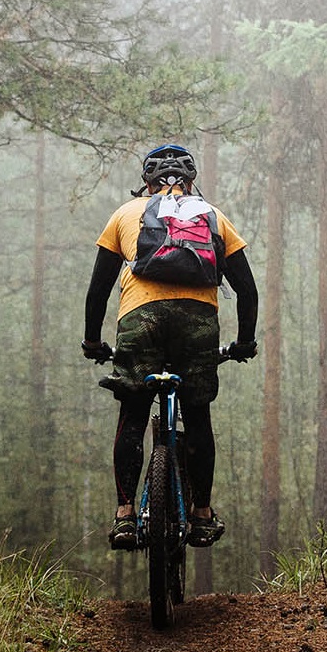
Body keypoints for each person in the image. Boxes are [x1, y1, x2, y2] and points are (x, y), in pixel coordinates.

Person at [82, 144, 258, 551]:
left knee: (134, 410)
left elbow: (98, 290)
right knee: (197, 413)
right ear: (192, 181)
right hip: (198, 320)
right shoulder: (212, 215)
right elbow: (247, 291)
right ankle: (201, 516)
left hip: (140, 319)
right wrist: (244, 342)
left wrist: (93, 341)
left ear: (146, 182)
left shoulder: (125, 215)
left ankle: (125, 516)